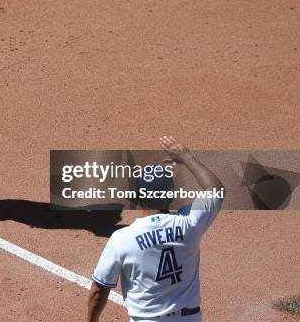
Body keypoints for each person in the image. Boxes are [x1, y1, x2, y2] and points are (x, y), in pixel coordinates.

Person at [88, 136, 226, 322]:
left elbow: (98, 290)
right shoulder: (190, 223)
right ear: (172, 196)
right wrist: (187, 158)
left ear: (137, 197)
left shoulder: (122, 239)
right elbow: (215, 190)